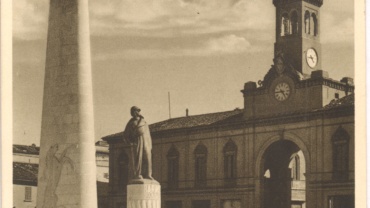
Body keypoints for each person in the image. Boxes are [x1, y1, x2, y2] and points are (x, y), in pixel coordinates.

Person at [123, 106, 153, 180]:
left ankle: (148, 174)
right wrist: (130, 142)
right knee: (137, 158)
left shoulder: (144, 122)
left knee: (147, 158)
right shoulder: (130, 123)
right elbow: (125, 135)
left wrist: (150, 145)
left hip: (145, 141)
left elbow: (148, 134)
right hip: (136, 141)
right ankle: (138, 174)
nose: (133, 113)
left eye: (135, 111)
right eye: (132, 111)